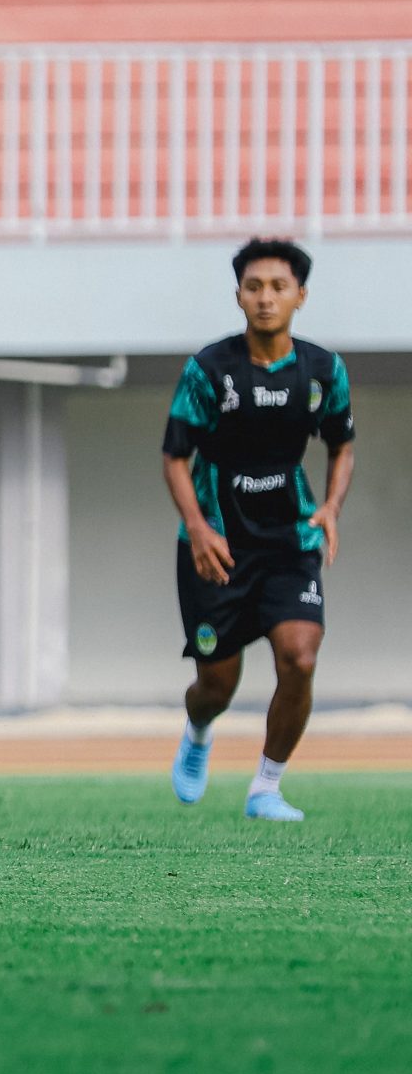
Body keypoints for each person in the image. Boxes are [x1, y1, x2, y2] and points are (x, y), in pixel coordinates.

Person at [164, 238, 354, 821]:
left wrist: (330, 506)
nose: (265, 298)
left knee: (299, 656)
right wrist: (196, 528)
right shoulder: (208, 369)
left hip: (288, 542)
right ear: (238, 295)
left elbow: (342, 445)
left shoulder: (322, 370)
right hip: (216, 546)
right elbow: (175, 455)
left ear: (300, 295)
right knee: (216, 684)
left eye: (278, 286)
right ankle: (198, 732)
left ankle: (266, 787)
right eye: (254, 287)